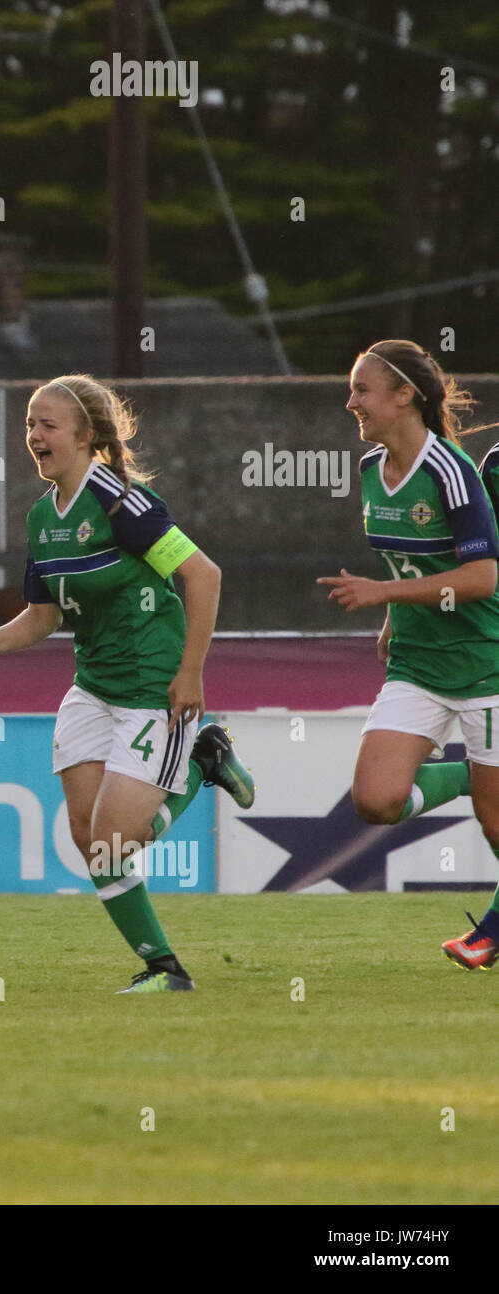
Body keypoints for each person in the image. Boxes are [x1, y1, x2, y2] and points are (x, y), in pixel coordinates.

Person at [0, 374, 254, 994]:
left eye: (48, 425)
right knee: (93, 843)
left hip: (152, 687)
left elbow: (204, 576)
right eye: (30, 424)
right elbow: (43, 615)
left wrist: (191, 672)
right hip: (93, 688)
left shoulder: (124, 504)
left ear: (87, 437)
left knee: (120, 838)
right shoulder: (43, 517)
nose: (34, 435)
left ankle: (204, 759)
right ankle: (164, 970)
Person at [320, 339, 499, 972]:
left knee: (497, 829)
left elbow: (481, 578)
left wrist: (383, 594)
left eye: (362, 390)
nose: (352, 402)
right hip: (418, 665)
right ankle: (468, 780)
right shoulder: (372, 471)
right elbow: (409, 557)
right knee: (375, 801)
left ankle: (491, 932)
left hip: (486, 664)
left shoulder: (450, 470)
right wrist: (395, 617)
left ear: (404, 396)